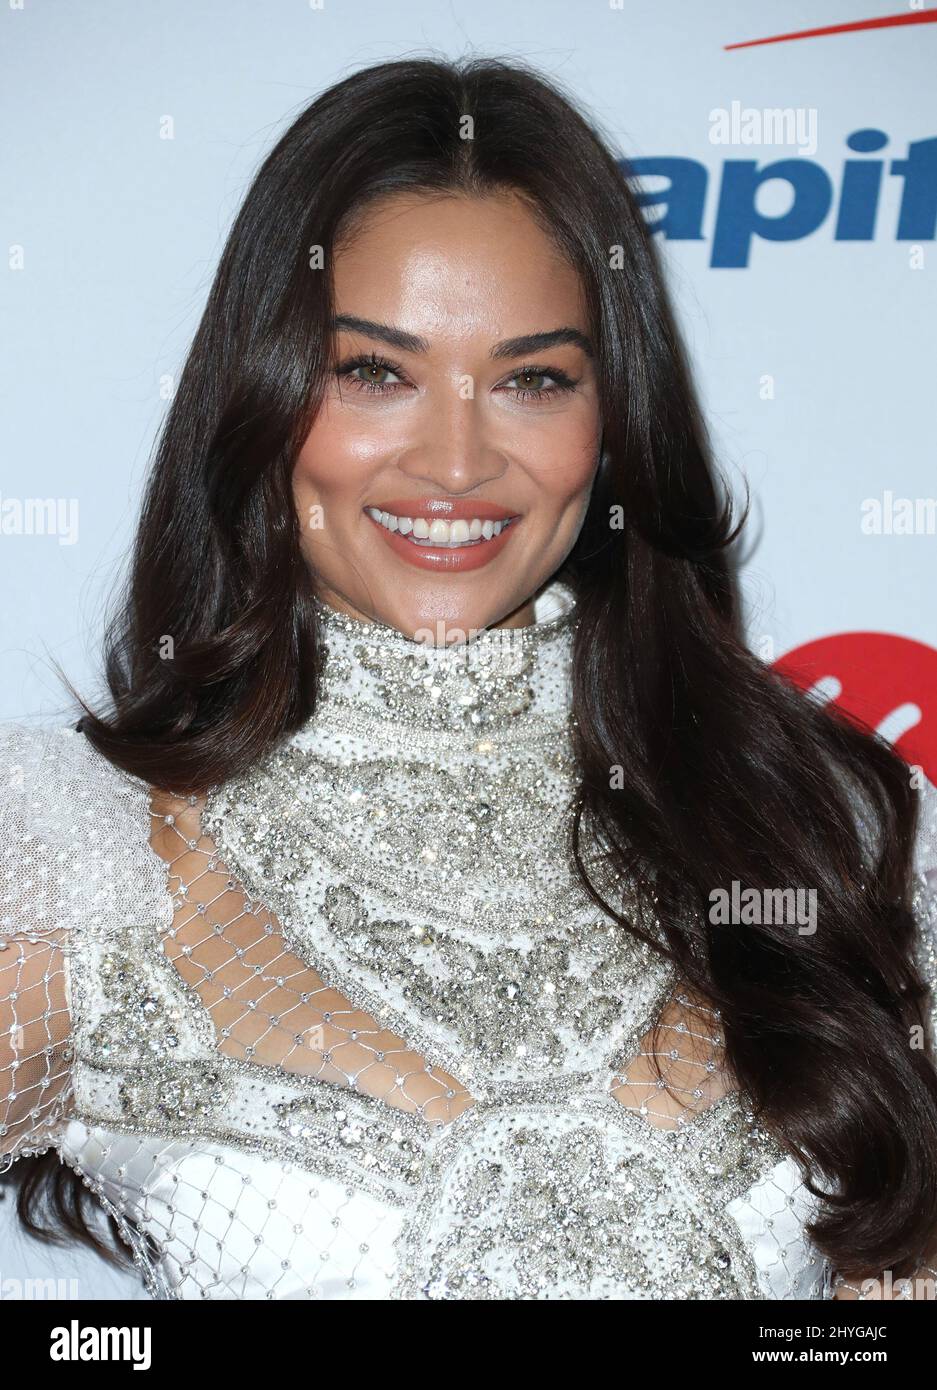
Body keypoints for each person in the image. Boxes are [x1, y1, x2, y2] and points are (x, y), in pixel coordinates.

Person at [2, 55, 936, 1302]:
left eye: (532, 379)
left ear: (613, 423)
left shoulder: (812, 830)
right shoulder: (80, 857)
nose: (455, 459)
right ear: (266, 395)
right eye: (374, 372)